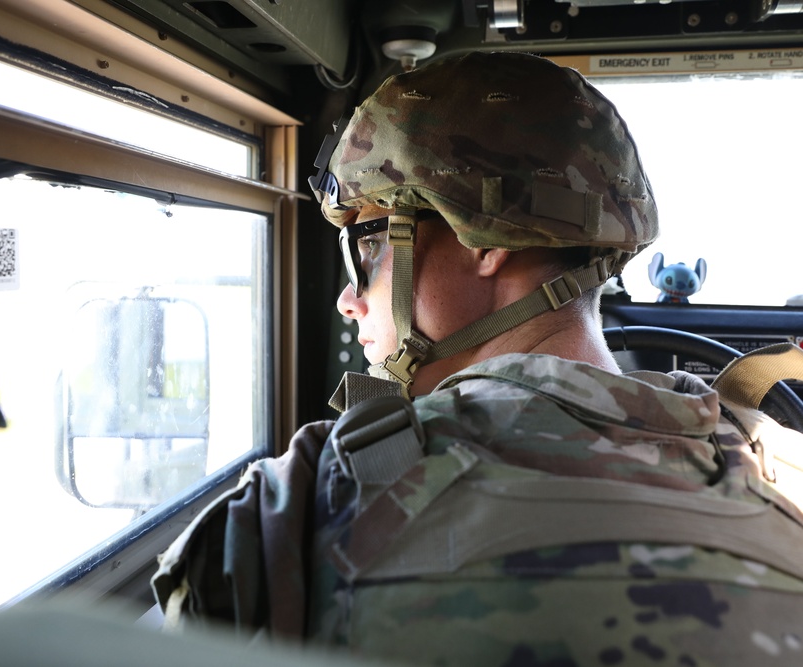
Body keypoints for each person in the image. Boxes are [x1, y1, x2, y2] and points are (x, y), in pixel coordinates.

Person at [153, 51, 803, 666]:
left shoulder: (290, 516)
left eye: (368, 248)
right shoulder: (783, 479)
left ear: (481, 241)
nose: (350, 299)